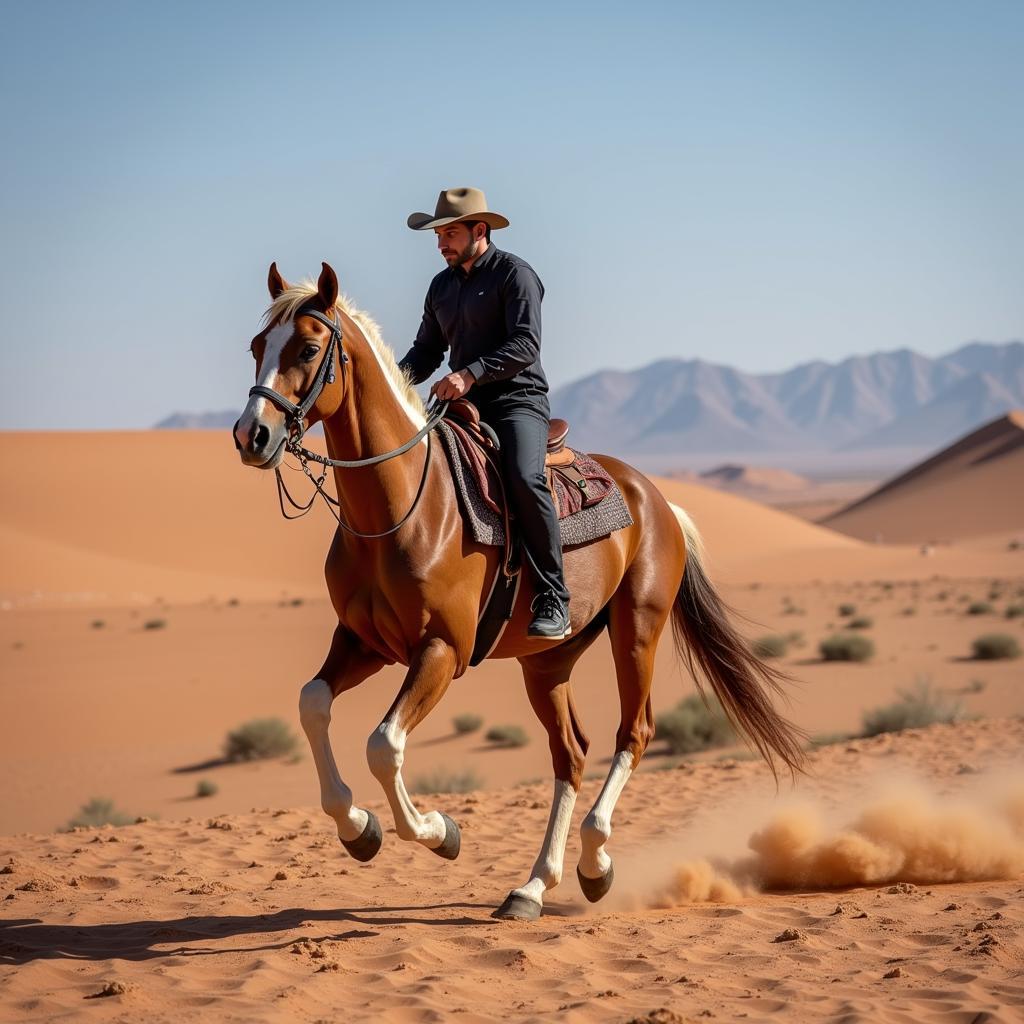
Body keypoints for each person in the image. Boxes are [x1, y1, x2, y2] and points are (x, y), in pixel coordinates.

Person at [398, 187, 571, 640]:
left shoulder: (516, 275)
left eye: (450, 234)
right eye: (438, 236)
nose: (441, 244)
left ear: (480, 230)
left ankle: (554, 595)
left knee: (522, 476)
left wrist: (470, 373)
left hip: (518, 401)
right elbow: (427, 350)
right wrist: (390, 382)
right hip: (463, 406)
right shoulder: (440, 286)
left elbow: (524, 344)